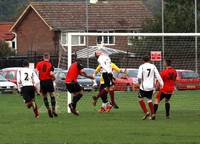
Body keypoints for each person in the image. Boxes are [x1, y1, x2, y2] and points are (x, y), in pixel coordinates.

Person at [137, 56, 163, 120]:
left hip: (143, 87)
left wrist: (139, 84)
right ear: (149, 60)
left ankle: (146, 112)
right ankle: (153, 114)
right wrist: (162, 84)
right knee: (149, 100)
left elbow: (139, 77)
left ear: (143, 60)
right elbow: (158, 76)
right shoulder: (153, 66)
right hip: (151, 87)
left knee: (140, 99)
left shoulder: (141, 66)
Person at [36, 53, 57, 118]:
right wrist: (54, 77)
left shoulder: (39, 64)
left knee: (44, 97)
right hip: (49, 81)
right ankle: (53, 109)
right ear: (49, 57)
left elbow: (36, 71)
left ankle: (48, 109)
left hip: (42, 82)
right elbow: (51, 73)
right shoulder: (50, 64)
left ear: (43, 57)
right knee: (52, 95)